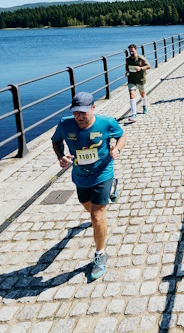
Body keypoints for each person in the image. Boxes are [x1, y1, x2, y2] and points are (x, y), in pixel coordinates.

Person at [52, 91, 126, 281]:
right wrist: (61, 157)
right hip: (80, 176)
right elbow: (56, 141)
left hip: (102, 172)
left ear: (93, 107)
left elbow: (122, 135)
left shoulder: (106, 123)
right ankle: (112, 189)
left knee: (96, 215)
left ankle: (100, 255)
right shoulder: (65, 124)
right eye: (76, 112)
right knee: (88, 207)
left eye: (83, 112)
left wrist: (116, 149)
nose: (79, 116)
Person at [125, 44, 150, 122]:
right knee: (132, 95)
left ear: (136, 50)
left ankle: (144, 105)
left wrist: (141, 68)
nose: (131, 52)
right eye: (130, 51)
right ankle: (134, 114)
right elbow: (127, 69)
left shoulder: (141, 58)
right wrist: (126, 73)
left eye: (132, 51)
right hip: (131, 80)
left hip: (140, 80)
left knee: (142, 94)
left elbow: (149, 66)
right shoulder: (127, 59)